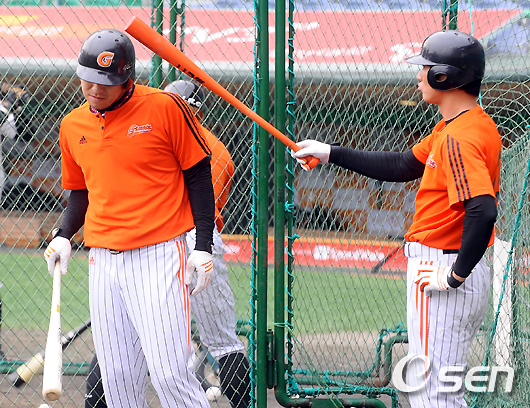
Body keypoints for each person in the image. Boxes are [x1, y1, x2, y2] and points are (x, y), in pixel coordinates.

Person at [292, 30, 501, 408]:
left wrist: (453, 276)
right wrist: (330, 152)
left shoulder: (459, 136)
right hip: (452, 267)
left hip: (444, 269)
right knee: (439, 393)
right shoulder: (463, 125)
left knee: (433, 395)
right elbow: (403, 165)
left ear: (445, 77)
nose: (418, 76)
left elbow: (483, 209)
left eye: (425, 69)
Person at [43, 29, 215, 408]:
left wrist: (203, 246)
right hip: (102, 261)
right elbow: (81, 192)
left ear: (127, 78)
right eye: (88, 80)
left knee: (170, 375)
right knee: (118, 378)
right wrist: (63, 234)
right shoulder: (72, 125)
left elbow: (199, 176)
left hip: (159, 256)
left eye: (105, 82)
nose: (94, 89)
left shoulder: (166, 107)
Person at [84, 79, 252, 408]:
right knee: (222, 343)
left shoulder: (148, 133)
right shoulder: (217, 148)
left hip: (161, 240)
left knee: (124, 342)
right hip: (198, 242)